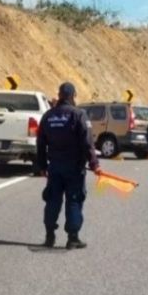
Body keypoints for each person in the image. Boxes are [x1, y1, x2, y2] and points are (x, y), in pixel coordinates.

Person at [35, 82, 100, 250]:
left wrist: (41, 165)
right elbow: (87, 142)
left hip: (54, 167)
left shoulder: (48, 116)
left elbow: (40, 143)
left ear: (59, 95)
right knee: (74, 200)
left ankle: (49, 236)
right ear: (73, 95)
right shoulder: (78, 115)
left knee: (52, 200)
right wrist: (94, 164)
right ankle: (73, 238)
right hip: (74, 168)